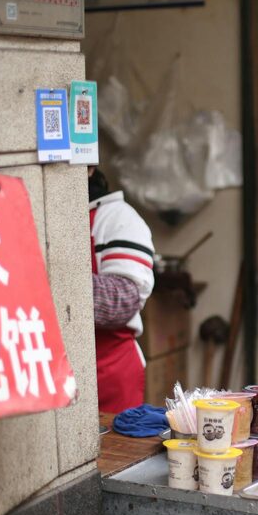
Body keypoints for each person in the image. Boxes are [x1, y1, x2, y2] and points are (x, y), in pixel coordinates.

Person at [88, 167, 155, 412]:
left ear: (89, 169)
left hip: (109, 374)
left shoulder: (118, 217)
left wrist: (46, 282)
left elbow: (121, 300)